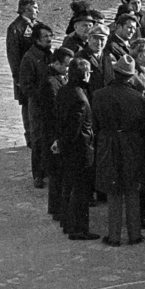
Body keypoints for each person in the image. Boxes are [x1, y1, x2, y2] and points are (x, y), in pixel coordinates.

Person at [91, 53, 145, 245]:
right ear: (130, 76)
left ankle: (114, 235)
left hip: (108, 142)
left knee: (113, 190)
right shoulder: (139, 98)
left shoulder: (98, 95)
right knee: (132, 189)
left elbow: (95, 124)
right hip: (132, 143)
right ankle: (134, 234)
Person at [53, 58, 98, 240]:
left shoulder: (64, 90)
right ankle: (79, 229)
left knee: (68, 188)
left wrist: (59, 143)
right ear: (84, 74)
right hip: (80, 151)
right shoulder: (80, 97)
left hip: (68, 150)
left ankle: (67, 224)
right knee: (81, 193)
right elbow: (75, 127)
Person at [18, 23, 55, 187]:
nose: (49, 39)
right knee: (38, 139)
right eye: (46, 36)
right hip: (38, 106)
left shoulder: (50, 55)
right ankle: (38, 175)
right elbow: (26, 85)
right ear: (37, 39)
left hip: (50, 105)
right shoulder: (29, 58)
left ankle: (48, 171)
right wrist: (41, 95)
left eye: (50, 36)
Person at [41, 46, 72, 221]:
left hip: (57, 132)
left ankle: (58, 208)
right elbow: (53, 113)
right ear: (56, 63)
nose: (68, 69)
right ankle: (56, 209)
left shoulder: (60, 78)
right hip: (53, 134)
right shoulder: (50, 82)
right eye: (66, 65)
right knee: (57, 173)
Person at [6, 0, 39, 143]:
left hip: (38, 71)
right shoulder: (15, 28)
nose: (37, 10)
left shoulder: (36, 25)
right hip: (24, 74)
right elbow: (13, 55)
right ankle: (29, 136)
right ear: (26, 9)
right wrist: (18, 78)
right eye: (35, 7)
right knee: (27, 104)